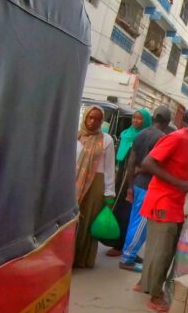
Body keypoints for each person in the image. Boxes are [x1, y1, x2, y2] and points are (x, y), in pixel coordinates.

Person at [138, 106, 188, 313]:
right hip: (162, 200)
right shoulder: (176, 138)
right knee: (163, 250)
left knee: (159, 247)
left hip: (176, 203)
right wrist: (177, 183)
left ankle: (143, 283)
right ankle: (155, 296)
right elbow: (148, 163)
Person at [119, 106, 172, 271]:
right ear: (167, 121)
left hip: (136, 184)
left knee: (134, 221)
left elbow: (131, 161)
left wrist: (129, 186)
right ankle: (127, 259)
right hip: (149, 186)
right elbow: (153, 164)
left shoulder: (141, 133)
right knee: (141, 225)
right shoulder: (162, 138)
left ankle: (130, 254)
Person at [74, 105, 116, 269]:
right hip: (75, 183)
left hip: (96, 184)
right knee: (72, 221)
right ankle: (67, 257)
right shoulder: (76, 136)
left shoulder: (107, 140)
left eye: (98, 119)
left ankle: (82, 259)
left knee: (88, 221)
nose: (93, 121)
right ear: (85, 117)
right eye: (90, 117)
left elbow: (109, 168)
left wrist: (109, 193)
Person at [106, 108, 151, 257]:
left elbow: (146, 162)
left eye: (140, 119)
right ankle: (116, 242)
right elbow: (120, 158)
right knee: (117, 208)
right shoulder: (125, 134)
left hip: (134, 180)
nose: (136, 121)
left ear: (146, 121)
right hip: (121, 178)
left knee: (127, 212)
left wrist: (132, 174)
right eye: (134, 118)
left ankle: (121, 246)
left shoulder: (147, 138)